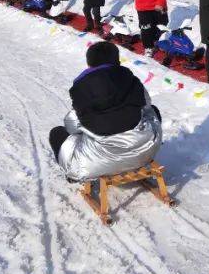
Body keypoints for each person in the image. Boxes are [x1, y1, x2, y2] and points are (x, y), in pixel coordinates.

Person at [48, 41, 163, 182]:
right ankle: (138, 151)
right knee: (153, 111)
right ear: (117, 61)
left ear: (89, 64)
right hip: (146, 152)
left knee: (57, 133)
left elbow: (72, 125)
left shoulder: (80, 89)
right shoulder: (131, 80)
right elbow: (147, 106)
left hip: (99, 162)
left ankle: (73, 174)